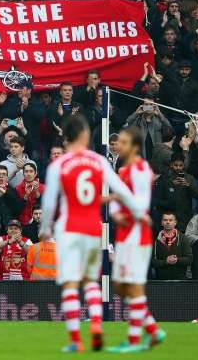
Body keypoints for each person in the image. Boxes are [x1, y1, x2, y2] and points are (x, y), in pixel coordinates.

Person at [39, 115, 144, 353]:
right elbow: (121, 189)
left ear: (66, 138)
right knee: (90, 281)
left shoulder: (59, 165)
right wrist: (137, 210)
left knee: (70, 283)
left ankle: (76, 340)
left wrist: (45, 228)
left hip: (68, 227)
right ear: (85, 135)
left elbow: (48, 201)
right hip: (92, 227)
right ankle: (96, 325)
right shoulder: (98, 161)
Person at [107, 127, 165, 353]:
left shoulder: (141, 169)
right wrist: (115, 211)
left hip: (136, 234)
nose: (118, 145)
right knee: (121, 286)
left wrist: (132, 213)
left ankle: (133, 341)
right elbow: (117, 200)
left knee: (132, 285)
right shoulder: (123, 170)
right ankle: (152, 329)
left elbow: (142, 203)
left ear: (134, 146)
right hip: (124, 231)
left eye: (122, 141)